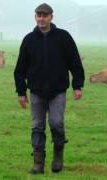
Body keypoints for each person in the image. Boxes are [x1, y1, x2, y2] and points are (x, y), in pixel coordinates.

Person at [14, 3, 85, 174]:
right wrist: (21, 92)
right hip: (37, 92)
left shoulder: (63, 37)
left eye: (45, 15)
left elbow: (75, 63)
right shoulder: (29, 40)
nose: (41, 18)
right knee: (37, 126)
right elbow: (19, 69)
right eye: (38, 15)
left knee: (56, 123)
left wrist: (77, 85)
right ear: (35, 17)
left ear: (51, 17)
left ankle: (58, 157)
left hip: (58, 91)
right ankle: (38, 163)